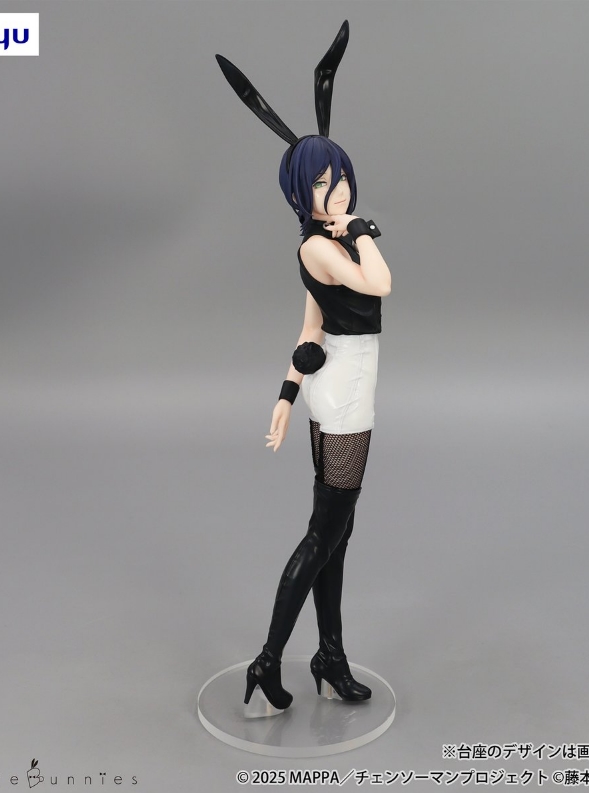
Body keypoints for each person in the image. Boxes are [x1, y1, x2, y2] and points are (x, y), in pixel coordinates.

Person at [216, 22, 391, 716]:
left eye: (340, 176)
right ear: (301, 194)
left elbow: (310, 326)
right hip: (346, 393)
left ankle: (330, 656)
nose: (337, 189)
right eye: (322, 182)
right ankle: (268, 660)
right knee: (326, 533)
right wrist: (364, 230)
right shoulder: (322, 247)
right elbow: (380, 285)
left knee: (336, 534)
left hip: (331, 384)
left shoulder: (324, 246)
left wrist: (286, 395)